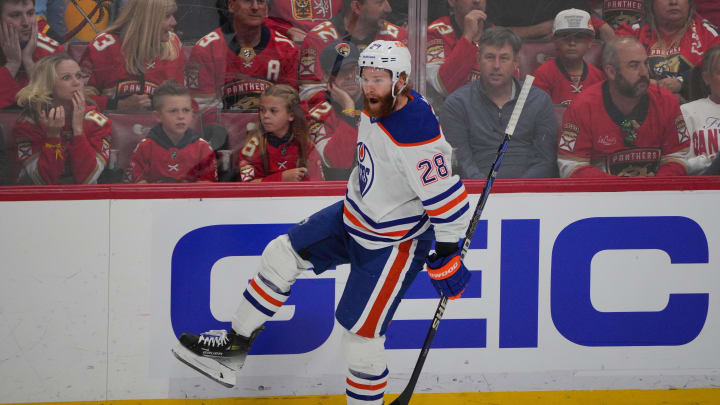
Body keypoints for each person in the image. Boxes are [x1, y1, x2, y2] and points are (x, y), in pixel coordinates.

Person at [172, 40, 473, 405]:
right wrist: (345, 110)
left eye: (380, 78)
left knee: (361, 339)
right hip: (353, 217)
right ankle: (232, 350)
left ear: (402, 80)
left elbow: (449, 201)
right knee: (280, 254)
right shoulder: (378, 101)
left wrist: (447, 252)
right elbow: (350, 150)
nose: (370, 86)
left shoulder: (416, 133)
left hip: (393, 243)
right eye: (366, 76)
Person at [558, 37, 690, 177]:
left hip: (655, 195)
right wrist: (617, 191)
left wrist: (652, 189)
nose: (644, 72)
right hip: (604, 196)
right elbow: (571, 165)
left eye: (645, 63)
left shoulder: (666, 101)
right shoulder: (582, 107)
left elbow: (679, 157)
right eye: (634, 65)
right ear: (611, 72)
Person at [441, 27, 558, 179]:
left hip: (529, 194)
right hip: (478, 195)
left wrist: (518, 192)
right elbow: (462, 162)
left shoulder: (539, 100)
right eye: (490, 57)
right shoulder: (457, 104)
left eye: (504, 58)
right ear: (478, 59)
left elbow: (545, 161)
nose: (496, 66)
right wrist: (488, 194)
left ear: (516, 61)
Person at [185, 0, 299, 117]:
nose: (255, 7)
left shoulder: (286, 49)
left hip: (272, 132)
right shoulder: (206, 50)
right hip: (223, 133)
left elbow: (292, 107)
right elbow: (202, 113)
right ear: (231, 5)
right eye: (247, 1)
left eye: (260, 1)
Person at [12, 53, 111, 184]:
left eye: (79, 76)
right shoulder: (28, 124)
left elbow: (88, 178)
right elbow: (44, 181)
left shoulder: (98, 122)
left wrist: (78, 130)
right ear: (47, 85)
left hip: (85, 201)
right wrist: (53, 137)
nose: (77, 83)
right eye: (66, 78)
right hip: (38, 201)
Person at [79, 0, 184, 112]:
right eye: (167, 16)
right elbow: (80, 99)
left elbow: (187, 102)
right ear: (146, 19)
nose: (174, 22)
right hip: (109, 128)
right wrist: (117, 105)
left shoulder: (173, 46)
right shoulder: (103, 47)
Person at [298, 0, 407, 100]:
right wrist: (347, 110)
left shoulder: (398, 37)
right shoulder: (319, 38)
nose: (388, 9)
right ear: (357, 6)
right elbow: (310, 94)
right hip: (336, 117)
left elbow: (409, 87)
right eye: (380, 2)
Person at [616, 0, 720, 98]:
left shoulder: (709, 34)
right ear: (651, 3)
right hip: (642, 104)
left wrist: (682, 82)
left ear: (689, 3)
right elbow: (616, 67)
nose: (673, 2)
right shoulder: (631, 32)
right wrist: (646, 82)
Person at [126, 80, 217, 183]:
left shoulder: (203, 148)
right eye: (173, 111)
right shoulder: (144, 148)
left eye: (186, 110)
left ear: (192, 114)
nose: (181, 116)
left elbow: (207, 189)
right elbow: (137, 187)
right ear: (158, 116)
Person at [236, 84, 323, 182]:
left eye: (273, 111)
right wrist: (281, 178)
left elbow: (317, 186)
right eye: (262, 110)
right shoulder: (252, 147)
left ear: (291, 115)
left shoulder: (305, 145)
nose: (265, 116)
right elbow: (247, 187)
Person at [305, 40, 362, 179]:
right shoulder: (316, 115)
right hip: (336, 192)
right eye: (342, 71)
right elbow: (338, 161)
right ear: (326, 77)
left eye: (354, 69)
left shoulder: (378, 104)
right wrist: (349, 109)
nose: (350, 76)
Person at [533, 8, 606, 105]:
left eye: (579, 37)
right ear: (555, 41)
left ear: (590, 42)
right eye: (565, 37)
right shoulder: (543, 74)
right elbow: (536, 113)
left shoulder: (598, 77)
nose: (572, 43)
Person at [1, 0, 63, 109]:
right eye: (15, 15)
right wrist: (12, 64)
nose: (26, 23)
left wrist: (29, 62)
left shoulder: (52, 51)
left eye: (30, 13)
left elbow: (57, 106)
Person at [426, 0, 492, 99]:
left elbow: (508, 91)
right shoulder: (436, 32)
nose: (477, 1)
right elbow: (442, 86)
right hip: (446, 111)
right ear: (452, 1)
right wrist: (468, 36)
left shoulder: (497, 36)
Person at [680, 44, 720, 174]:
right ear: (706, 78)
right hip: (702, 189)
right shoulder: (687, 112)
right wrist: (706, 161)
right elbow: (679, 165)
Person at [486, 0, 614, 40]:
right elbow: (491, 32)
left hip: (560, 56)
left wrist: (600, 24)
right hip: (509, 53)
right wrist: (543, 29)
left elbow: (581, 17)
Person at [264, 0, 343, 42]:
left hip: (334, 53)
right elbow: (257, 20)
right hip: (291, 51)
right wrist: (287, 30)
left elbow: (350, 19)